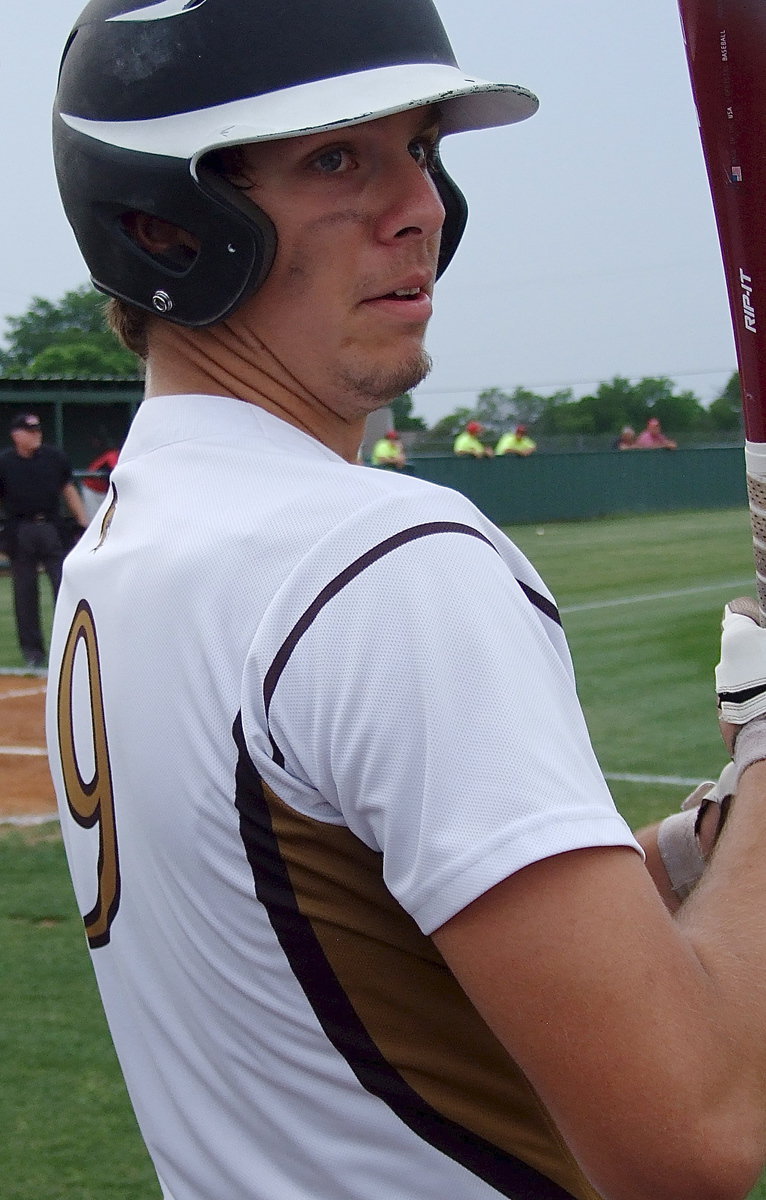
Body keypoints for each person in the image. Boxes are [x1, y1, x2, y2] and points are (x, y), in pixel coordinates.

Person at [44, 3, 766, 1199]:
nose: (419, 206)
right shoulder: (378, 558)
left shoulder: (131, 540)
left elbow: (377, 943)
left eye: (420, 147)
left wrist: (704, 846)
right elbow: (690, 1139)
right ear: (161, 227)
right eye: (336, 158)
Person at [0, 412, 87, 670]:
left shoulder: (54, 458)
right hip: (20, 529)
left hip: (52, 526)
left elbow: (68, 490)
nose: (36, 434)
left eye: (38, 429)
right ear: (16, 435)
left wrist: (84, 524)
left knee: (65, 588)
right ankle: (33, 652)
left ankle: (70, 645)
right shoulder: (5, 463)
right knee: (25, 593)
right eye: (30, 430)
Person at [81, 436, 120, 521]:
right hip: (92, 490)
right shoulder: (112, 456)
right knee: (94, 521)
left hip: (105, 492)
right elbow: (115, 471)